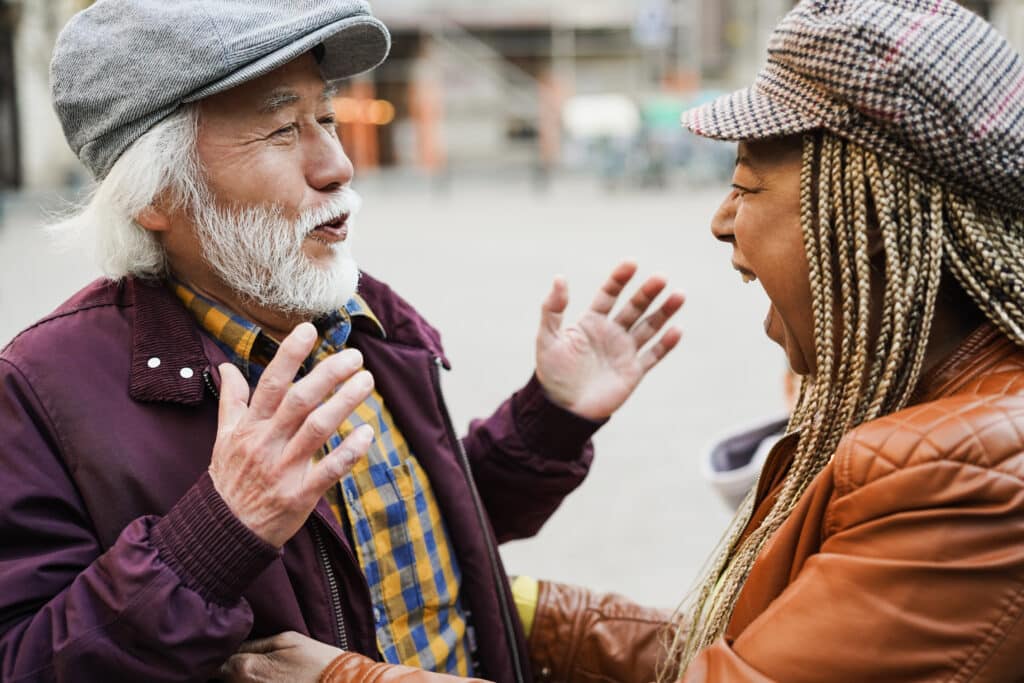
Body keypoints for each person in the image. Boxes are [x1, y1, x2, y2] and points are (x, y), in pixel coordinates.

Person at [293, 0, 1024, 681]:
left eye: (747, 185)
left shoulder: (970, 468)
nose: (721, 220)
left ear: (866, 218)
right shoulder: (957, 426)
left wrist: (344, 674)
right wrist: (518, 606)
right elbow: (743, 652)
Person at [0, 2, 685, 682]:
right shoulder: (43, 391)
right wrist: (211, 539)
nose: (337, 166)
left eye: (326, 118)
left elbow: (412, 539)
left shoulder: (367, 319)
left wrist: (549, 421)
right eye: (280, 131)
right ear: (156, 195)